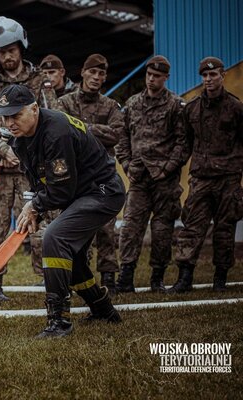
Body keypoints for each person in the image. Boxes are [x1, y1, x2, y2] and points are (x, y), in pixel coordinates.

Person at [0, 84, 125, 337]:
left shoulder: (56, 132)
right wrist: (33, 205)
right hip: (80, 193)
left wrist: (35, 206)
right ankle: (103, 310)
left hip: (102, 191)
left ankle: (59, 322)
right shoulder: (21, 137)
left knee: (54, 238)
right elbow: (38, 179)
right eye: (5, 116)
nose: (9, 122)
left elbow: (62, 191)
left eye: (15, 115)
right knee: (72, 257)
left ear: (34, 109)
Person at [0, 16, 57, 306]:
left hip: (32, 172)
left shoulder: (39, 83)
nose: (7, 56)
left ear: (21, 48)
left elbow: (52, 119)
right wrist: (1, 148)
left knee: (41, 231)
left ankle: (53, 288)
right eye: (1, 52)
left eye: (11, 49)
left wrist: (23, 151)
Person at [115, 55, 188, 293]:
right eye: (149, 75)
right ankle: (126, 277)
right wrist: (126, 163)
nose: (151, 79)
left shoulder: (175, 106)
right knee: (130, 226)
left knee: (162, 230)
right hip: (138, 177)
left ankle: (157, 278)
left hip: (164, 180)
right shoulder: (133, 103)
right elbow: (122, 136)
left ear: (166, 78)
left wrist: (168, 168)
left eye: (157, 76)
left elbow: (183, 142)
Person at [170, 57, 243, 293]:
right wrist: (171, 168)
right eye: (205, 76)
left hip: (228, 178)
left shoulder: (236, 107)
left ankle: (220, 278)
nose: (208, 80)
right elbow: (185, 144)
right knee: (192, 227)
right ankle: (184, 279)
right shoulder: (191, 109)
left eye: (213, 75)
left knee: (225, 228)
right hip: (201, 178)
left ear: (222, 76)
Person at [57, 54, 124, 294]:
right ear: (83, 73)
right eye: (92, 72)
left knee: (106, 228)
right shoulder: (65, 103)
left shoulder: (110, 106)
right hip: (74, 176)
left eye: (101, 74)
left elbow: (117, 134)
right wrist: (95, 131)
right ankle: (78, 276)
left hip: (102, 176)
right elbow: (61, 128)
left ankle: (109, 278)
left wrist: (83, 128)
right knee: (74, 227)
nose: (96, 78)